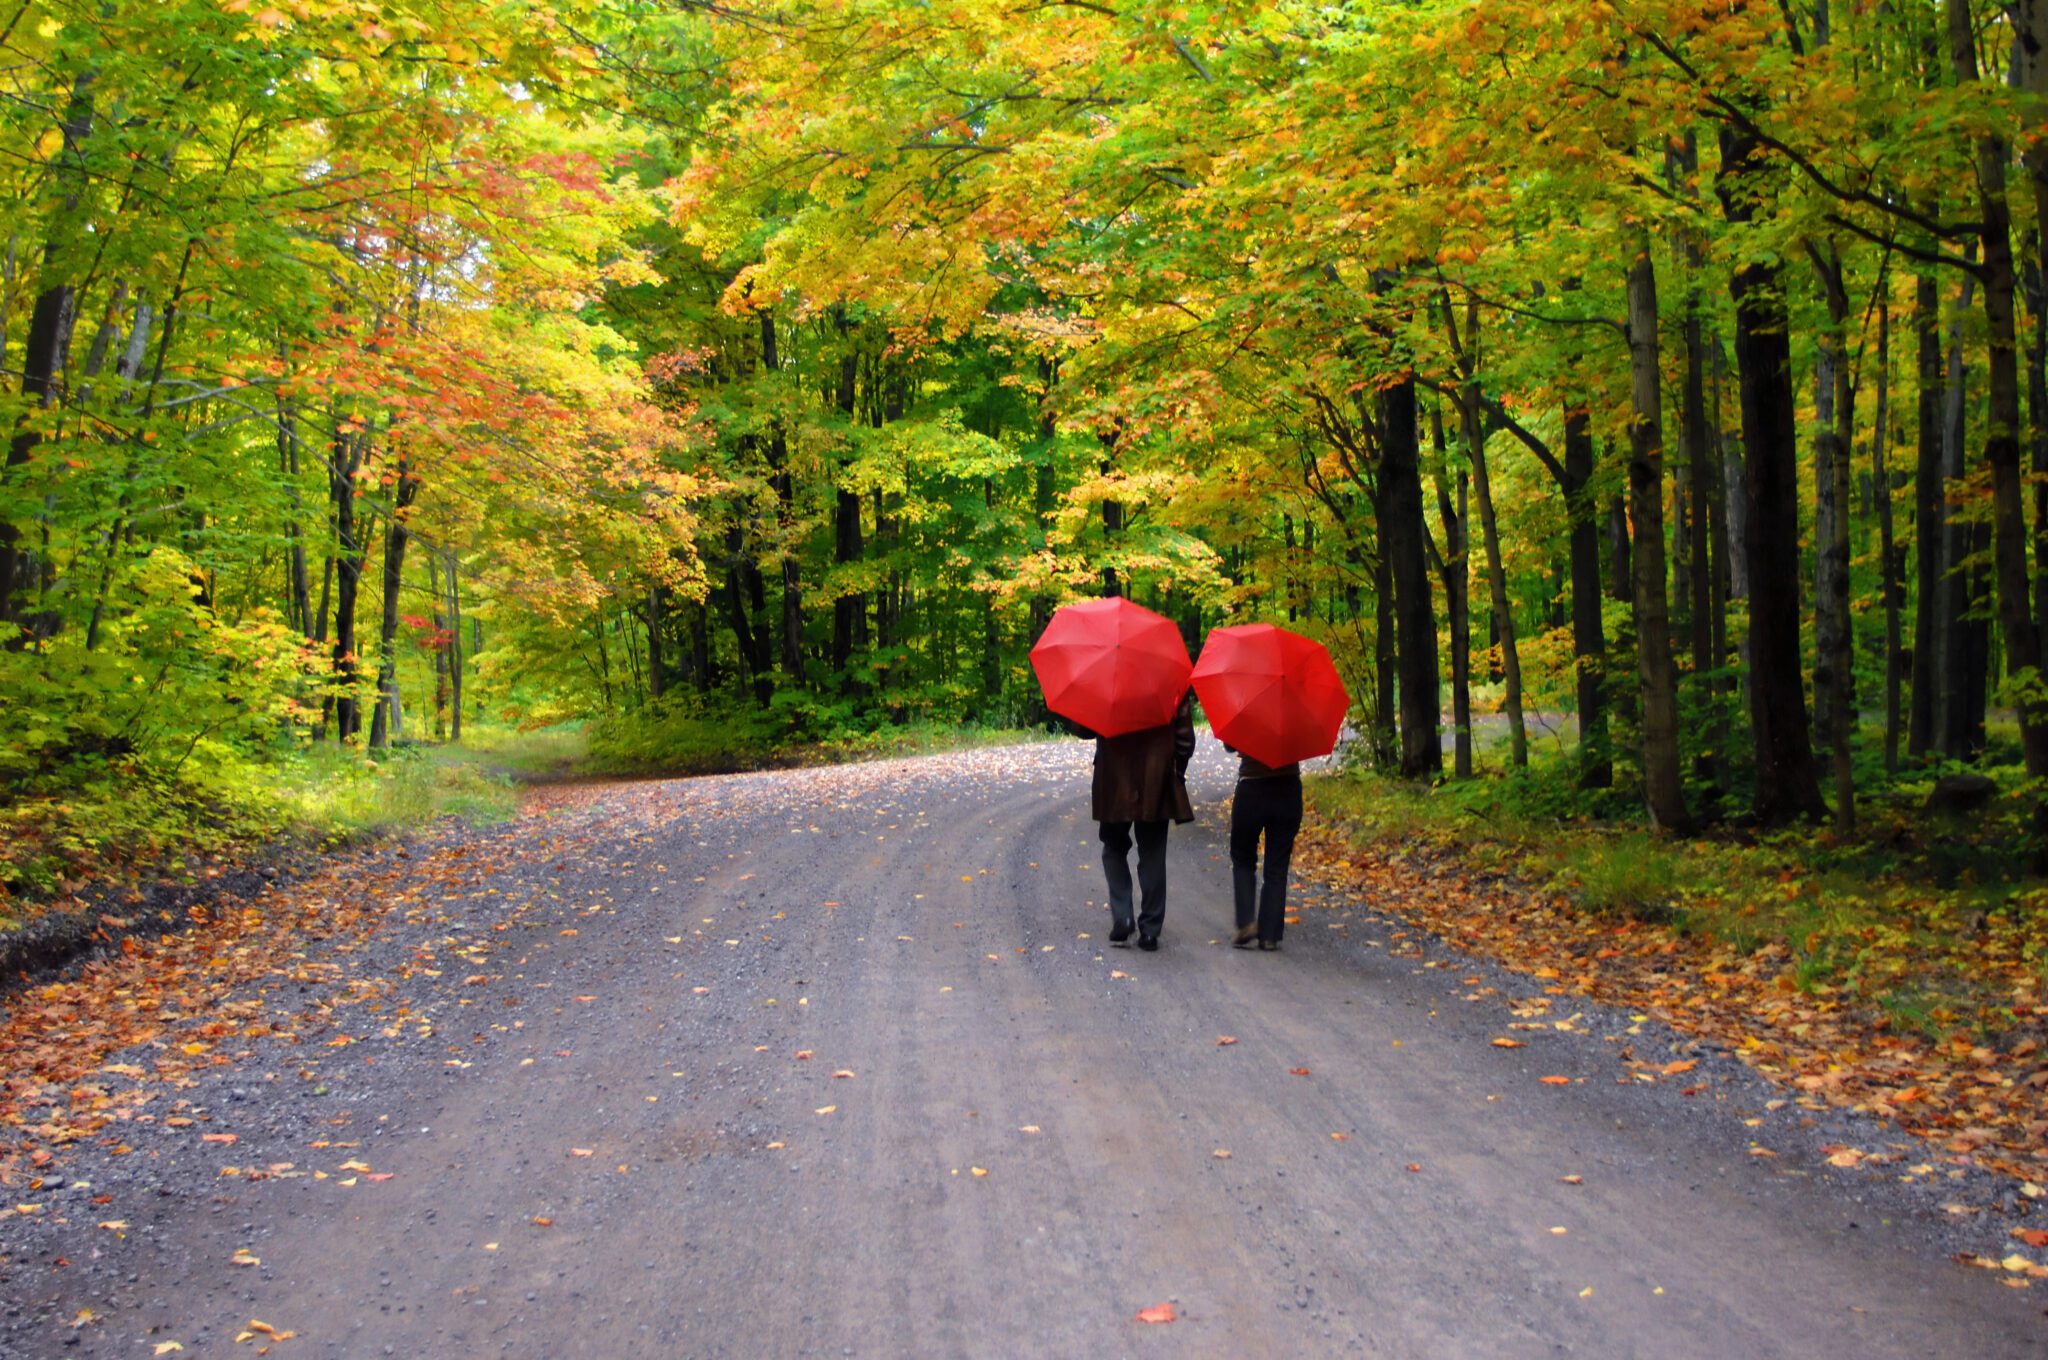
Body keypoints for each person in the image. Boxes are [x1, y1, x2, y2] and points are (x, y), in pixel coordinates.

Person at [1082, 692, 1196, 950]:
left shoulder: (1105, 677)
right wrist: (1176, 769)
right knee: (1153, 851)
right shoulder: (1170, 678)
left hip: (1113, 778)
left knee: (1113, 846)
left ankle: (1123, 915)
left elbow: (1084, 728)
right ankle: (1150, 931)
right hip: (1155, 779)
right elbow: (1185, 740)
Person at [1225, 743, 1302, 951]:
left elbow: (1229, 746)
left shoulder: (1245, 710)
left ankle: (1246, 923)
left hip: (1252, 787)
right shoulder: (1297, 712)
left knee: (1243, 856)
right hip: (1289, 789)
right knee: (1277, 866)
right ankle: (1269, 935)